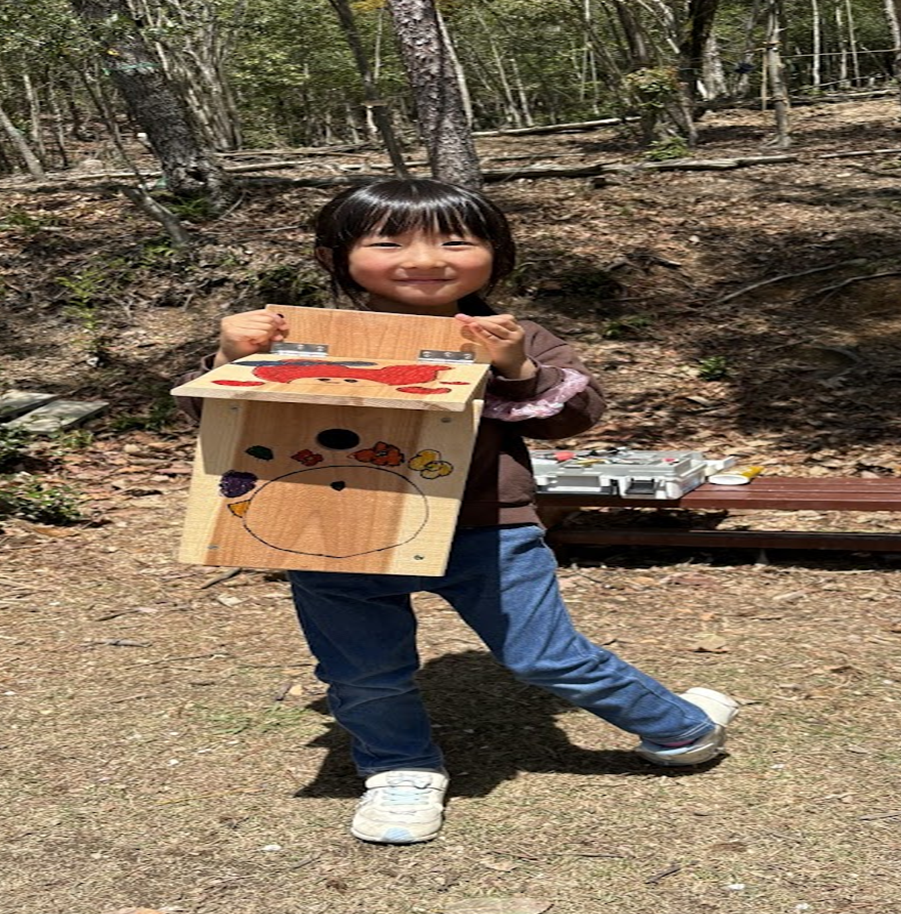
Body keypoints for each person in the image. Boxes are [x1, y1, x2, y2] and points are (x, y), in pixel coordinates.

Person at [191, 178, 739, 845]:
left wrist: (516, 367)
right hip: (333, 531)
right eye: (388, 243)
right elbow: (220, 422)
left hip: (488, 530)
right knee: (362, 671)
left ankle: (680, 725)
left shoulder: (515, 336)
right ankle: (399, 769)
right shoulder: (293, 337)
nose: (424, 260)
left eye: (455, 241)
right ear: (335, 258)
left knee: (544, 656)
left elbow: (575, 415)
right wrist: (230, 357)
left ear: (496, 255)